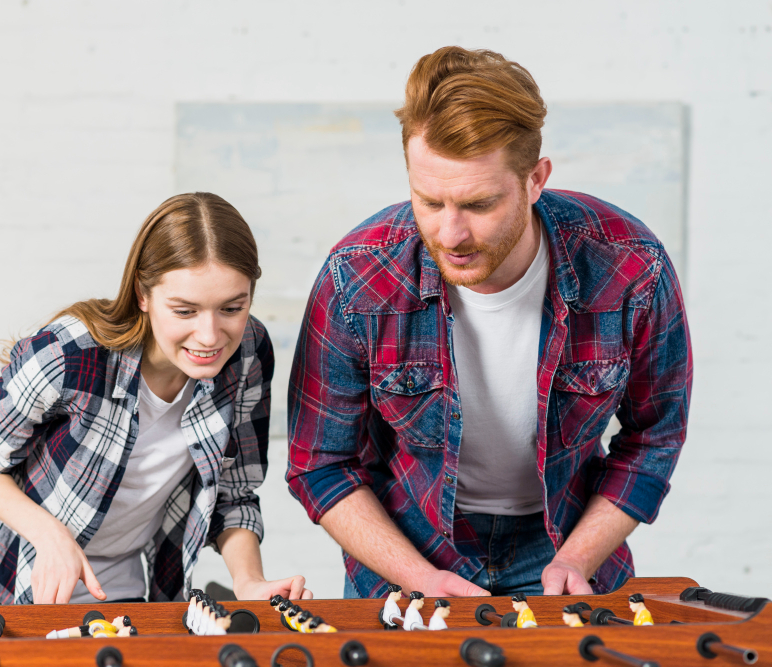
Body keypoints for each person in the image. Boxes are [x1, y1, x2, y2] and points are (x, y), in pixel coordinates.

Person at [287, 46, 692, 600]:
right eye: (428, 201)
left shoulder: (631, 266)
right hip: (411, 548)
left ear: (535, 179)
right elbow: (321, 465)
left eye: (478, 205)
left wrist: (577, 556)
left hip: (567, 539)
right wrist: (420, 578)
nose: (450, 234)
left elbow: (655, 435)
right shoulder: (355, 278)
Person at [0, 192, 313, 605]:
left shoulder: (247, 353)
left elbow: (234, 491)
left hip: (118, 587)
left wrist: (249, 582)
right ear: (143, 295)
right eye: (185, 311)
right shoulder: (70, 353)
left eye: (231, 308)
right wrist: (52, 535)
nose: (209, 335)